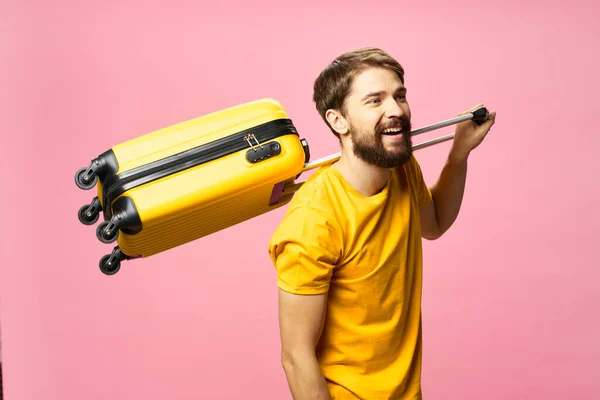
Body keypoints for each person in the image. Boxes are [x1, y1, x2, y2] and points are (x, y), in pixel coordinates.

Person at [268, 47, 496, 399]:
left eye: (399, 95)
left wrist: (459, 154)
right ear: (338, 120)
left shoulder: (401, 168)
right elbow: (296, 357)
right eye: (375, 100)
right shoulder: (313, 220)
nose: (396, 110)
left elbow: (433, 223)